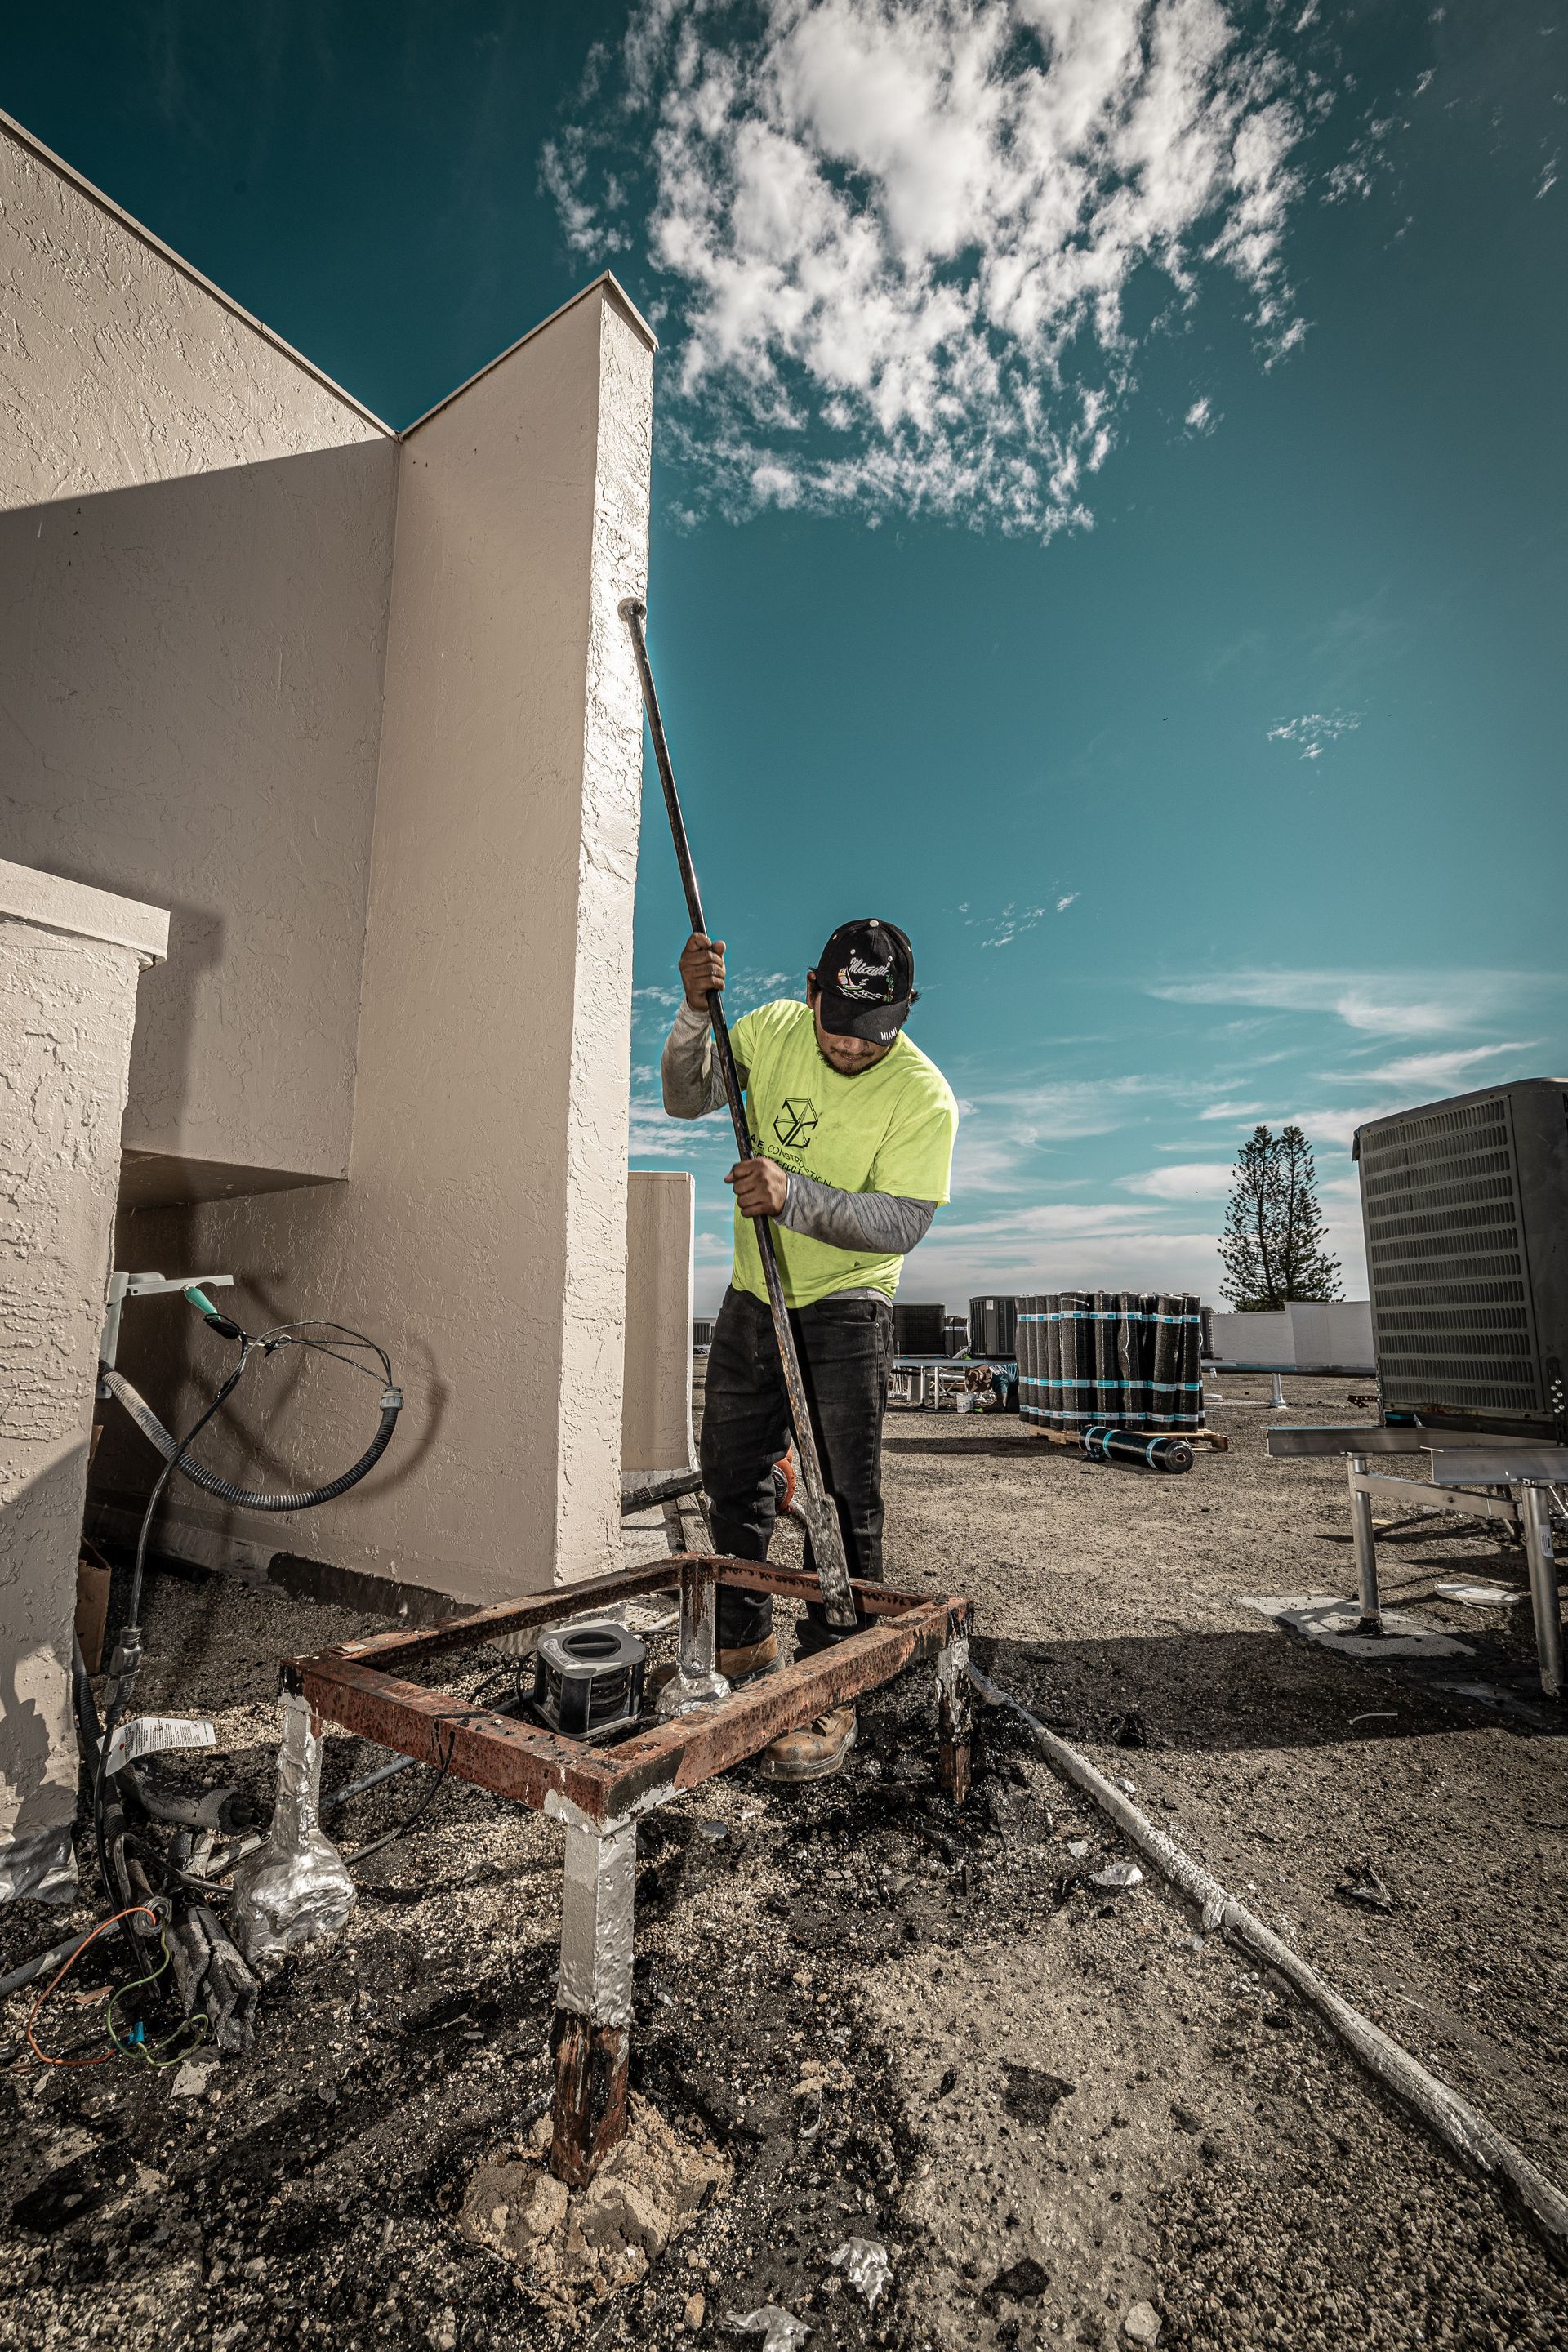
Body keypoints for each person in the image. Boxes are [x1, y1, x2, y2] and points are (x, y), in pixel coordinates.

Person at [662, 917, 958, 1780]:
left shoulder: (923, 1094)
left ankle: (833, 1670)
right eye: (841, 1030)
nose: (858, 1049)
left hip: (846, 1305)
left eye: (879, 1035)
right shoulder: (770, 1030)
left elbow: (900, 1222)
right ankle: (747, 1645)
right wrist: (691, 1013)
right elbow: (689, 1095)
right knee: (732, 1474)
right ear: (810, 990)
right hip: (754, 1293)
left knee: (840, 1494)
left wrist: (793, 1196)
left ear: (905, 1011)